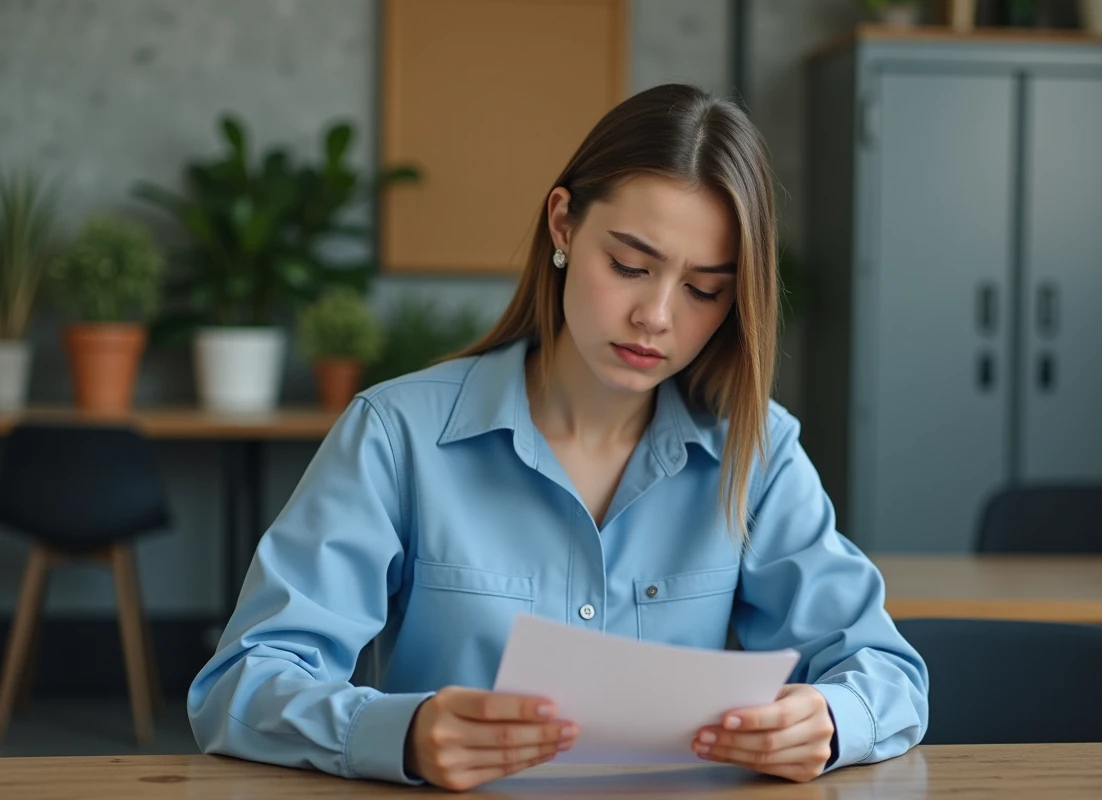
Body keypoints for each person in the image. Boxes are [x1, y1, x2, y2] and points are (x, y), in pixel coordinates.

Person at [188, 83, 928, 791]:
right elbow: (240, 685)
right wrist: (401, 732)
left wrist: (830, 720)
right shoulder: (397, 436)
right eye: (630, 265)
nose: (657, 316)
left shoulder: (756, 453)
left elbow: (887, 672)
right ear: (563, 224)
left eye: (705, 289)